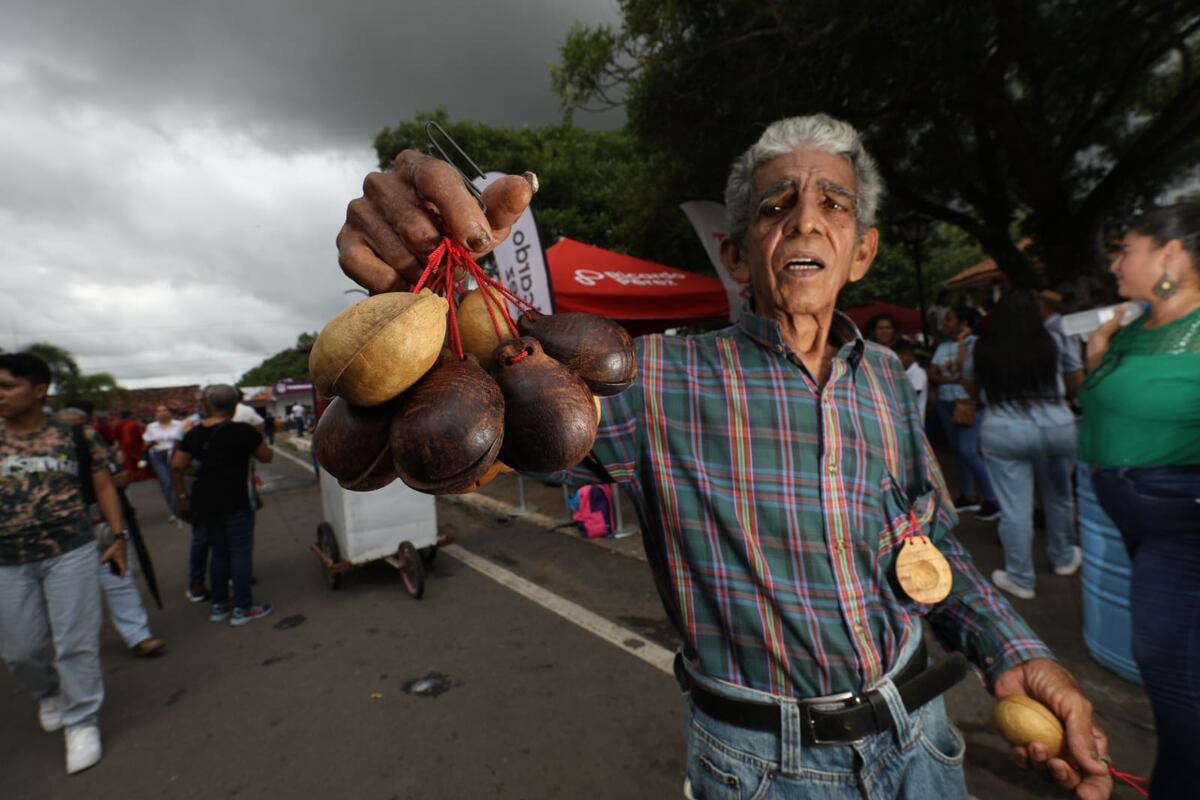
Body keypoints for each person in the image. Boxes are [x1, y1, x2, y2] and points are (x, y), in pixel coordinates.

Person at [336, 114, 1112, 799]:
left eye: (833, 204)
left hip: (925, 740)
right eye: (778, 206)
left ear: (864, 252)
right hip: (763, 770)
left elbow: (933, 541)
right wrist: (417, 283)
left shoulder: (885, 381)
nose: (807, 222)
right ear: (737, 257)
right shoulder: (655, 380)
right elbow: (478, 429)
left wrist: (1012, 654)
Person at [1077, 202, 1200, 798]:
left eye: (1127, 249)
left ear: (1171, 254)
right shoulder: (1134, 327)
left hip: (1182, 522)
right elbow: (1096, 396)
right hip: (1133, 517)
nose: (1115, 261)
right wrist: (1098, 348)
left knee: (1173, 677)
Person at [0, 353, 129, 774]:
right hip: (7, 559)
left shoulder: (74, 436)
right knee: (21, 649)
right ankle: (48, 693)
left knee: (75, 640)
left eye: (7, 386)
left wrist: (118, 537)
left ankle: (81, 719)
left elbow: (103, 486)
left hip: (70, 551)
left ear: (40, 391)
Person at [964, 290, 1083, 600]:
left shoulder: (981, 348)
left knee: (1015, 508)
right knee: (1059, 498)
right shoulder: (1056, 341)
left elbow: (971, 387)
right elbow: (1076, 381)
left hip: (1004, 427)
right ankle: (1064, 557)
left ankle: (1020, 577)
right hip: (1056, 422)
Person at [58, 407, 166, 658]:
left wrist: (118, 483)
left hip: (100, 522)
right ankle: (80, 643)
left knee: (118, 577)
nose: (80, 431)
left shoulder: (91, 442)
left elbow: (117, 476)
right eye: (73, 426)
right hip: (62, 531)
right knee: (72, 590)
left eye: (82, 425)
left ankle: (138, 636)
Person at [171, 384, 274, 626]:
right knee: (240, 551)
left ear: (208, 404)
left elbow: (176, 465)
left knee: (219, 552)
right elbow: (266, 456)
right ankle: (243, 608)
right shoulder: (244, 431)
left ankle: (219, 606)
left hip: (205, 499)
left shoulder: (194, 433)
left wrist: (189, 486)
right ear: (235, 405)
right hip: (237, 497)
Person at [928, 306, 1001, 520]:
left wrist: (962, 342)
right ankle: (968, 495)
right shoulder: (943, 346)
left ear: (964, 323)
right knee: (958, 450)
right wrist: (948, 379)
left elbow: (963, 368)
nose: (945, 324)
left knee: (968, 449)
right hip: (945, 400)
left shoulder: (975, 344)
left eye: (950, 319)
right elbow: (933, 373)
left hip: (967, 402)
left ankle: (992, 497)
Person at [142, 404, 184, 520]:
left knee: (180, 480)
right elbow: (146, 442)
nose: (161, 413)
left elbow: (185, 438)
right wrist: (151, 443)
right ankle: (173, 510)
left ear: (170, 412)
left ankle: (184, 504)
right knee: (167, 482)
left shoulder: (179, 424)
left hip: (175, 454)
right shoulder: (151, 426)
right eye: (158, 411)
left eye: (164, 410)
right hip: (158, 455)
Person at [893, 340, 928, 421]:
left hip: (915, 420)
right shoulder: (903, 372)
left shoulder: (918, 373)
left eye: (899, 357)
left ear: (909, 356)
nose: (896, 361)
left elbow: (911, 396)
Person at [113, 410, 148, 482]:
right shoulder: (135, 424)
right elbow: (141, 435)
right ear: (130, 416)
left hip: (124, 445)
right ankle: (142, 476)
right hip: (136, 445)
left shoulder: (119, 425)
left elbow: (116, 435)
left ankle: (132, 477)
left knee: (128, 462)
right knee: (140, 460)